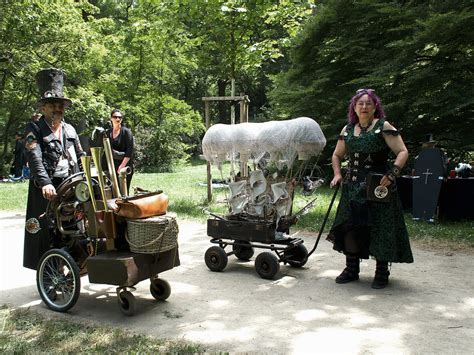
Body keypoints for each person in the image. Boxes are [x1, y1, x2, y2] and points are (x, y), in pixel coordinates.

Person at [327, 88, 413, 289]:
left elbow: (402, 151)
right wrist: (338, 174)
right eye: (360, 104)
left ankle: (381, 272)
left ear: (375, 107)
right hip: (352, 188)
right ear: (354, 108)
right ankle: (351, 269)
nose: (364, 107)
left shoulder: (383, 126)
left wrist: (392, 174)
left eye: (368, 103)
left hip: (377, 188)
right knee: (350, 226)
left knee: (379, 227)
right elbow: (336, 155)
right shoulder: (347, 130)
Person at [23, 68, 85, 270]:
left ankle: (70, 268)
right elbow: (34, 157)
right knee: (46, 231)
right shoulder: (34, 130)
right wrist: (46, 183)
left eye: (60, 105)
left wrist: (90, 173)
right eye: (52, 105)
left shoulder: (70, 129)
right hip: (46, 188)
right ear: (43, 108)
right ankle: (48, 275)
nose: (57, 109)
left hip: (70, 185)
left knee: (72, 227)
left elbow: (80, 154)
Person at [106, 109, 134, 191]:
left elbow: (130, 150)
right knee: (113, 191)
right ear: (111, 118)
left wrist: (122, 166)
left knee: (124, 191)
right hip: (112, 166)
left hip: (124, 166)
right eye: (115, 117)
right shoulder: (108, 132)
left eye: (120, 117)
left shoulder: (126, 132)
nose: (118, 119)